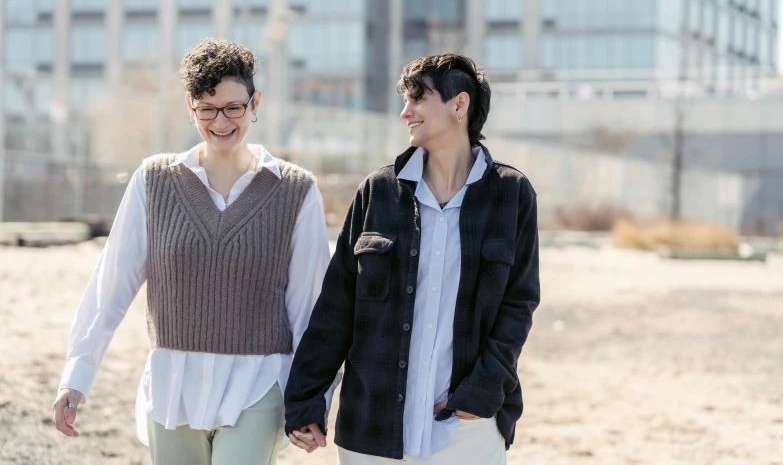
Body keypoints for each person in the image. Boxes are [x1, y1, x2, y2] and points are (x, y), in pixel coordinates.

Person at [52, 38, 337, 465]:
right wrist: (77, 375)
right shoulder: (154, 181)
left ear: (255, 103)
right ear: (191, 107)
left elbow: (311, 308)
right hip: (172, 386)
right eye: (207, 108)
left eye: (233, 107)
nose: (221, 121)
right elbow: (110, 284)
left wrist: (314, 397)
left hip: (258, 384)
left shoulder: (297, 191)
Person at [284, 53, 540, 464]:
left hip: (465, 429)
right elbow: (336, 305)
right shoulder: (379, 192)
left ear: (460, 105)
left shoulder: (510, 195)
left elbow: (519, 304)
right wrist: (306, 398)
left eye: (418, 98)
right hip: (372, 428)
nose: (406, 112)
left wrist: (485, 390)